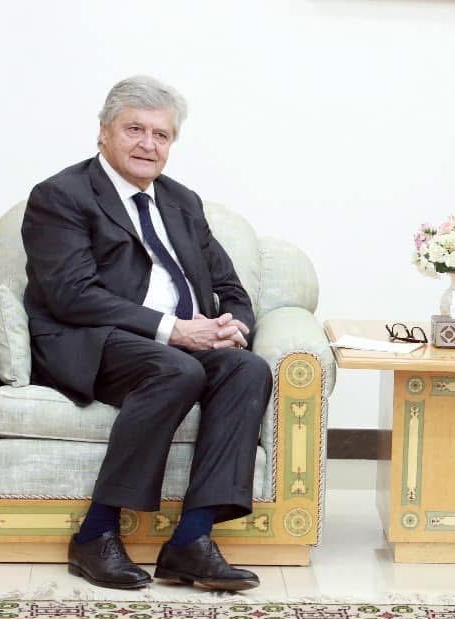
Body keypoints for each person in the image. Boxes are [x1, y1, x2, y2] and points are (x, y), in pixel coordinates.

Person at [22, 75, 272, 592]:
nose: (148, 144)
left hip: (177, 341)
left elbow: (230, 286)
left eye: (161, 135)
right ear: (103, 132)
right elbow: (71, 295)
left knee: (247, 369)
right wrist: (173, 330)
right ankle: (95, 533)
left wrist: (233, 326)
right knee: (176, 368)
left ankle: (191, 541)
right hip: (93, 339)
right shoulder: (60, 196)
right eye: (134, 129)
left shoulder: (182, 202)